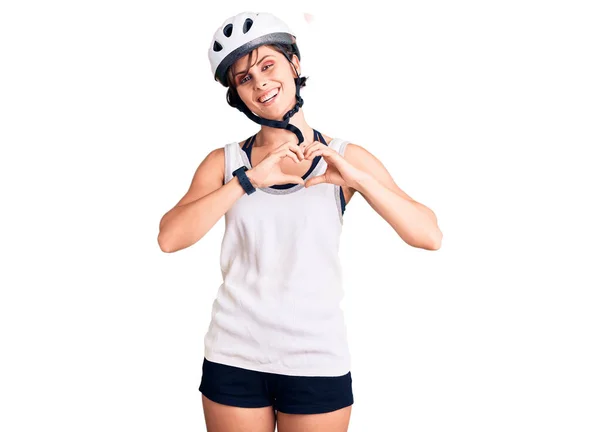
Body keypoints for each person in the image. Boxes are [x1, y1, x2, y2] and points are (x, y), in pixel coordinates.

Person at [158, 11, 443, 432]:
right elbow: (170, 238)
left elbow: (429, 235)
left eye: (267, 65)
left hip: (316, 358)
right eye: (244, 78)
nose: (260, 83)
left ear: (294, 64)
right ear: (237, 95)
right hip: (233, 356)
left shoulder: (346, 156)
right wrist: (249, 180)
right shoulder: (225, 164)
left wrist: (358, 180)